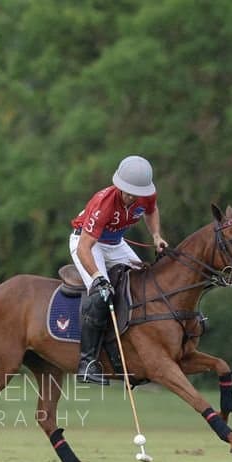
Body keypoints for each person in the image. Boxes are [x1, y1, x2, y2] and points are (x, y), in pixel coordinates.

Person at [69, 155, 169, 384]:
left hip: (115, 244)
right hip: (86, 242)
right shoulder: (103, 203)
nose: (132, 196)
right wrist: (97, 277)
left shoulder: (146, 195)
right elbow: (85, 247)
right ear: (119, 185)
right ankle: (87, 364)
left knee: (144, 281)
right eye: (128, 191)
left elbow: (152, 211)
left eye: (137, 192)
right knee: (102, 294)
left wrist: (156, 236)